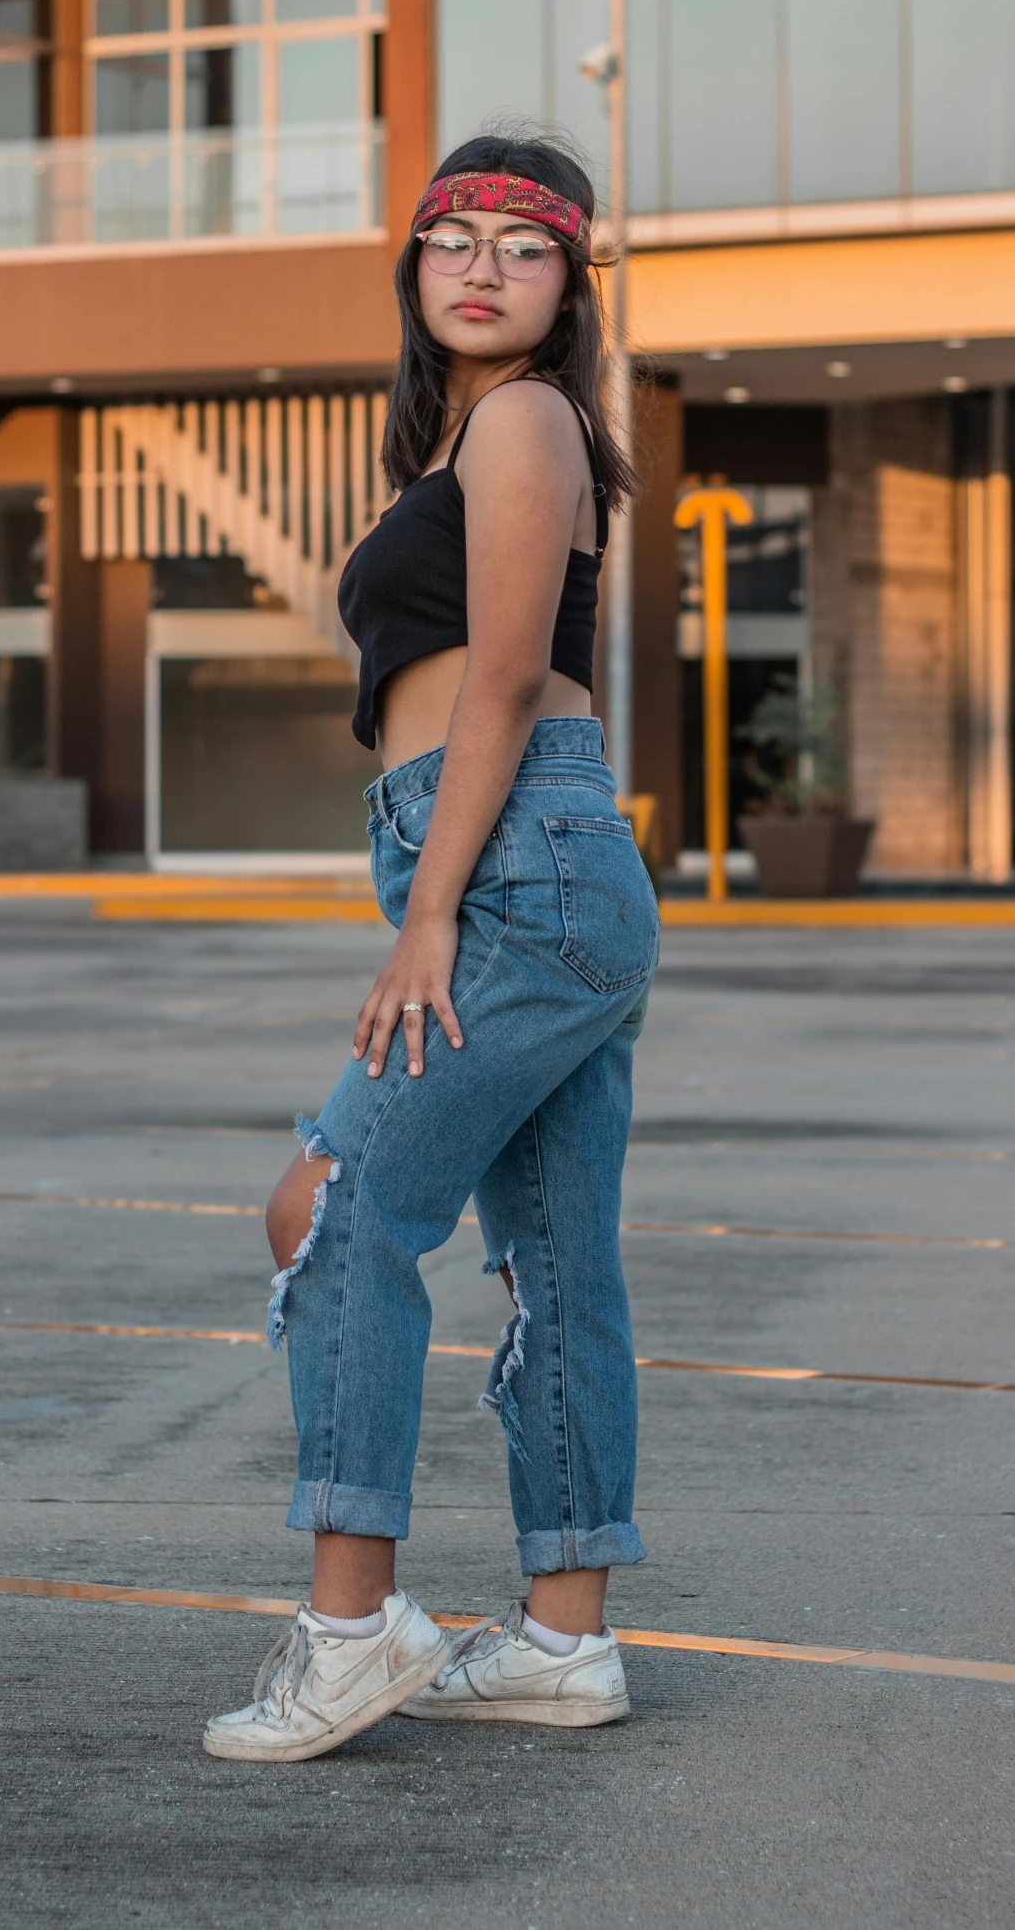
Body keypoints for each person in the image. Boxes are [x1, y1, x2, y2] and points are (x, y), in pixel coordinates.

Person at [204, 133, 660, 1763]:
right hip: (537, 858)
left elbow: (502, 679)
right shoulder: (466, 443)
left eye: (519, 247)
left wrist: (426, 913)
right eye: (447, 237)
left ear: (567, 282)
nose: (478, 266)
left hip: (512, 858)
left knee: (329, 1210)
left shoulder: (531, 420)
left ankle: (351, 1629)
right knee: (556, 1266)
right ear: (410, 268)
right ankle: (560, 1639)